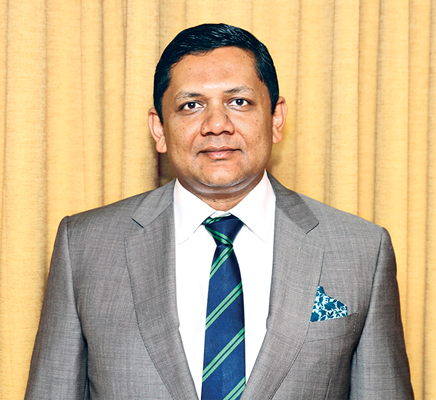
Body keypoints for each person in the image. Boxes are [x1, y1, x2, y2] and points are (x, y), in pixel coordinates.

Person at [25, 23, 413, 399]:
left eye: (238, 102)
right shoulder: (85, 247)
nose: (216, 125)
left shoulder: (362, 251)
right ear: (159, 129)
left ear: (276, 119)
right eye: (191, 105)